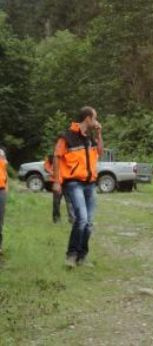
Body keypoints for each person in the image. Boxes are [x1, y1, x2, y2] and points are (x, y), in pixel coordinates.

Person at [53, 107, 102, 268]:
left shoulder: (90, 137)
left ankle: (82, 257)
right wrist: (57, 181)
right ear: (87, 119)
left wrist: (99, 134)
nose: (96, 121)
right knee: (81, 219)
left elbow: (99, 152)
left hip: (90, 184)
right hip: (74, 183)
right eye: (95, 118)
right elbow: (56, 157)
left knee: (89, 222)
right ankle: (71, 256)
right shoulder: (66, 136)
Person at [44, 154, 75, 224]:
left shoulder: (70, 154)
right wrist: (52, 172)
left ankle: (72, 219)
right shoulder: (53, 155)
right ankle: (56, 219)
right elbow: (46, 166)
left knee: (70, 202)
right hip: (57, 182)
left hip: (67, 182)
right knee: (56, 202)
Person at [0, 148, 8, 255]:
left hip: (1, 190)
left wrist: (6, 190)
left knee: (0, 219)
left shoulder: (1, 153)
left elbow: (5, 174)